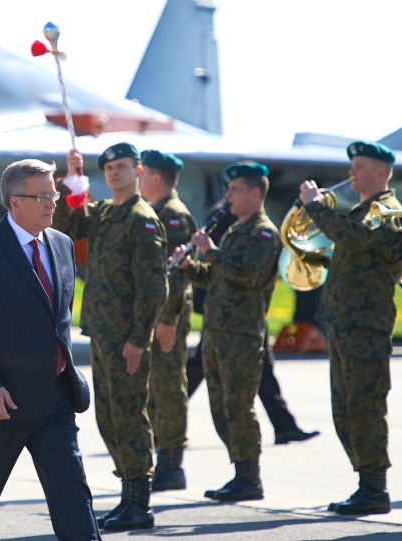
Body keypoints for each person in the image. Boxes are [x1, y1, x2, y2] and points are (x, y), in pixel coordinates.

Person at [0, 159, 100, 541]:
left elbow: (56, 322)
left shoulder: (61, 245)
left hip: (54, 401)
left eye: (55, 194)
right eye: (43, 195)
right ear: (15, 202)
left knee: (74, 502)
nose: (52, 203)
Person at [53, 143, 168, 532]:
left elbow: (154, 287)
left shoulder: (142, 219)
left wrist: (139, 337)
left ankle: (139, 502)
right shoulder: (104, 213)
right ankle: (127, 497)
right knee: (108, 416)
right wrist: (72, 181)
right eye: (108, 168)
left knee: (130, 415)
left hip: (126, 337)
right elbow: (68, 227)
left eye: (121, 166)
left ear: (138, 171)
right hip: (102, 331)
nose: (113, 173)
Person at [297, 141, 402, 515]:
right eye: (352, 166)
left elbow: (356, 239)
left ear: (381, 171)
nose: (351, 174)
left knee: (364, 406)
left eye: (359, 166)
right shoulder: (363, 211)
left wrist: (314, 207)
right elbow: (351, 251)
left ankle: (375, 488)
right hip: (345, 324)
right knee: (345, 408)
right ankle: (365, 482)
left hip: (367, 325)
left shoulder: (386, 212)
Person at [174, 161, 282, 502]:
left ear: (254, 192)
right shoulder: (236, 231)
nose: (228, 197)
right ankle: (239, 472)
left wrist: (210, 250)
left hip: (242, 335)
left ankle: (250, 477)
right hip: (218, 333)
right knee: (220, 407)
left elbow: (247, 274)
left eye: (234, 190)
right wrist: (190, 266)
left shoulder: (264, 233)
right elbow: (218, 276)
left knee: (238, 406)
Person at [138, 149, 197, 491]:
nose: (138, 179)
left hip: (167, 316)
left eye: (142, 173)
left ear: (156, 178)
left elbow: (175, 274)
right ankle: (162, 459)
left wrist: (168, 319)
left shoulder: (173, 216)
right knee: (155, 389)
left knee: (168, 386)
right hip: (154, 315)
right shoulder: (154, 211)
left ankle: (172, 465)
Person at [187, 323, 320, 445]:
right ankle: (168, 411)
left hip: (253, 312)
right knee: (204, 359)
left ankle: (284, 425)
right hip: (227, 311)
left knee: (262, 365)